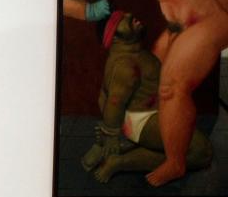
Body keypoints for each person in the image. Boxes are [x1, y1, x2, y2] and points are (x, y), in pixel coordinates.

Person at [130, 0, 228, 186]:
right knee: (147, 73)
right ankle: (159, 139)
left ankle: (176, 163)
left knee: (171, 87)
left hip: (208, 23)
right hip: (182, 29)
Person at [81, 10, 212, 183]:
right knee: (200, 152)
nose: (129, 16)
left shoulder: (132, 54)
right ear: (113, 37)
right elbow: (114, 102)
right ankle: (119, 162)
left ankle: (130, 149)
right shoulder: (125, 66)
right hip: (143, 119)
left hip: (152, 112)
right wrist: (110, 135)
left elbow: (105, 94)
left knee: (183, 144)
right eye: (121, 19)